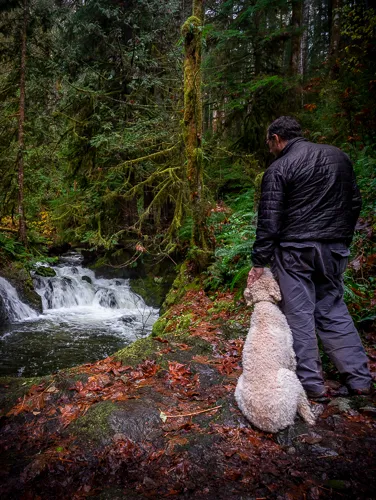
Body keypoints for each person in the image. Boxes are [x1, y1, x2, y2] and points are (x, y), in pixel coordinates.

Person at [248, 116, 372, 399]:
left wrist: (259, 262)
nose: (269, 149)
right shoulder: (338, 157)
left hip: (295, 251)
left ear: (277, 138)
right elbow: (355, 202)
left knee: (300, 315)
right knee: (333, 309)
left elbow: (269, 221)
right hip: (334, 248)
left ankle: (312, 385)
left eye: (269, 143)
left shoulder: (279, 168)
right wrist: (341, 237)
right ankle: (360, 380)